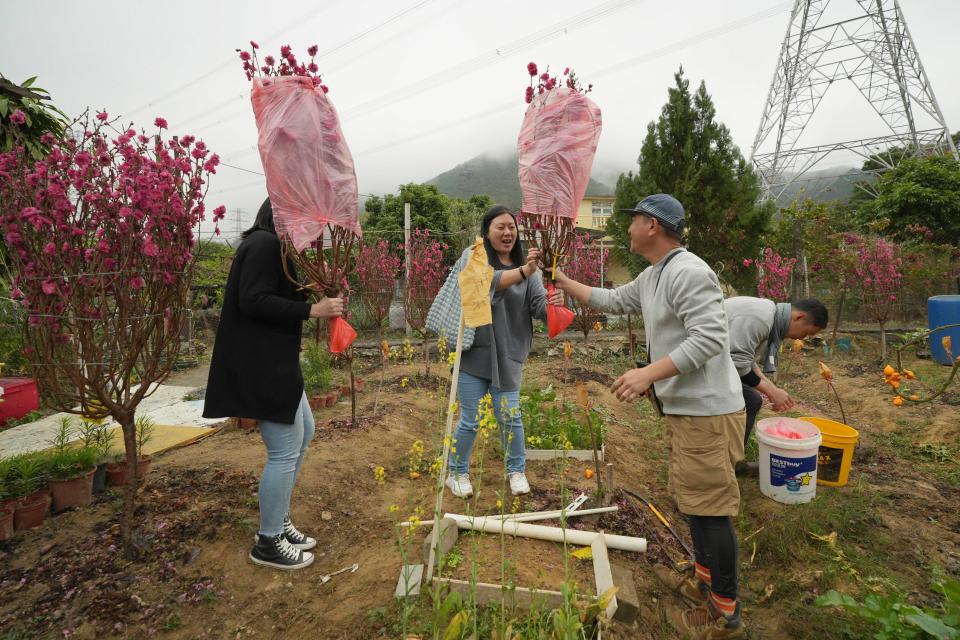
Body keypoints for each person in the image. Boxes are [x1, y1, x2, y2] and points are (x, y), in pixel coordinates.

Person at [554, 194, 747, 639]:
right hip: (690, 412)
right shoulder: (654, 275)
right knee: (697, 505)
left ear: (654, 226)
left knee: (711, 511)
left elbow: (710, 340)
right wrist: (563, 280)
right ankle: (703, 582)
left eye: (633, 220)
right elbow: (609, 299)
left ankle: (725, 616)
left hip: (709, 414)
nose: (627, 227)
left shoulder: (689, 273)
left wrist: (647, 374)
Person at [203, 198, 344, 571]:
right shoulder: (264, 244)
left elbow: (271, 293)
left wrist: (305, 287)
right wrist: (312, 309)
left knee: (305, 432)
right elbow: (253, 300)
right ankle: (267, 541)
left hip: (275, 360)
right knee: (283, 451)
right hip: (261, 363)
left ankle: (278, 520)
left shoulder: (273, 248)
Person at [444, 205, 564, 498]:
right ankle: (456, 473)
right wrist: (524, 271)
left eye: (512, 227)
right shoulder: (473, 257)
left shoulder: (528, 269)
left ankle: (516, 470)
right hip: (474, 352)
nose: (508, 232)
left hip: (508, 354)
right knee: (470, 419)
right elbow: (487, 283)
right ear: (487, 231)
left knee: (510, 416)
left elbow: (537, 308)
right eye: (500, 227)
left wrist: (555, 302)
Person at [724, 296, 828, 475]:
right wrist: (771, 392)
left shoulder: (769, 317)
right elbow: (738, 364)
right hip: (692, 364)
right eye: (806, 333)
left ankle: (733, 461)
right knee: (747, 399)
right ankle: (725, 463)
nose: (803, 338)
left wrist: (771, 387)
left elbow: (746, 361)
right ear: (798, 317)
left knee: (751, 399)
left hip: (715, 361)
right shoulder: (761, 319)